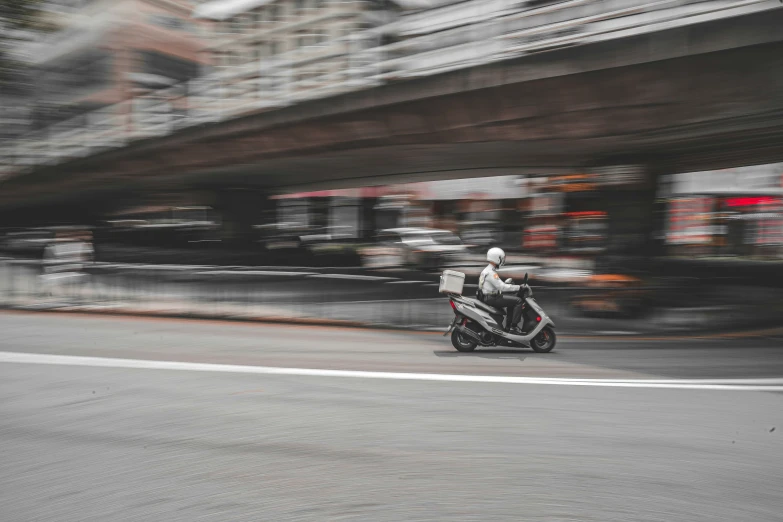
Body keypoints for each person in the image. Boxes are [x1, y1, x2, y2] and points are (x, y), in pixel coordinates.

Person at [479, 247, 523, 334]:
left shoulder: (487, 270)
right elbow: (502, 287)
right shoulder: (491, 273)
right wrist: (519, 287)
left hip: (488, 296)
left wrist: (511, 287)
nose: (502, 261)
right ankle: (513, 327)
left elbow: (498, 286)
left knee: (511, 303)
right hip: (492, 298)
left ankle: (508, 327)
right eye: (501, 258)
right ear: (497, 258)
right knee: (518, 301)